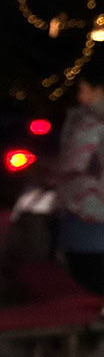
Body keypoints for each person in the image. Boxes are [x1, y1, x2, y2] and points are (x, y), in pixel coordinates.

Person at [53, 69, 104, 295]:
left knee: (84, 275)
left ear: (99, 91)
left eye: (83, 90)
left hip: (85, 207)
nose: (80, 97)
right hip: (95, 208)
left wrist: (50, 171)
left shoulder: (90, 122)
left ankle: (84, 325)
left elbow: (73, 162)